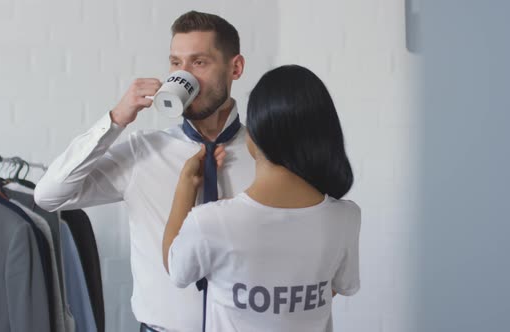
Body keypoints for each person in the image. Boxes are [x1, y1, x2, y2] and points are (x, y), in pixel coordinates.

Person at [34, 11, 254, 332]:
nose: (184, 74)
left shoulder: (265, 155)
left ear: (235, 68)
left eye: (199, 63)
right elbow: (48, 196)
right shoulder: (143, 153)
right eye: (176, 63)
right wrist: (116, 119)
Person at [163, 65, 361, 332]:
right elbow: (334, 287)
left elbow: (176, 270)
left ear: (252, 137)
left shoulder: (211, 220)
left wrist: (185, 188)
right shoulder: (345, 217)